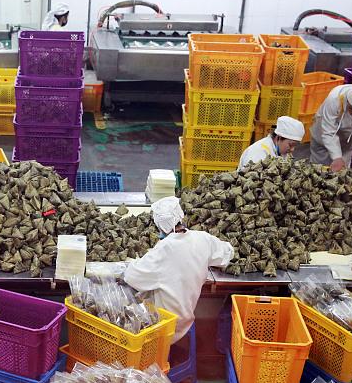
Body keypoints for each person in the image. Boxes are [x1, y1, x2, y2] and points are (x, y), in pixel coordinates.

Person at [124, 197, 234, 348]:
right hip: (186, 319)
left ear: (160, 225)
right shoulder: (202, 238)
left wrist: (135, 261)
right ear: (181, 216)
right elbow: (228, 253)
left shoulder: (163, 251)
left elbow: (132, 277)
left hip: (163, 325)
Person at [238, 116, 305, 169]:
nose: (292, 149)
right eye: (291, 145)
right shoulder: (258, 153)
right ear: (278, 137)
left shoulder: (283, 152)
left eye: (295, 146)